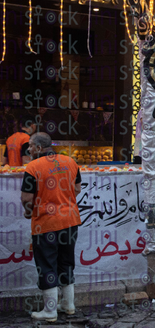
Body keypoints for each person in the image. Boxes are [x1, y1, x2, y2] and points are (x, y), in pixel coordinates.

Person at [20, 132, 82, 322]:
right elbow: (77, 188)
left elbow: (26, 198)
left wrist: (29, 211)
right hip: (70, 221)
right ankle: (68, 305)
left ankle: (50, 311)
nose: (28, 149)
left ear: (39, 148)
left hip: (46, 224)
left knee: (47, 264)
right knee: (66, 262)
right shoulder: (70, 162)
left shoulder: (33, 167)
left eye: (30, 146)